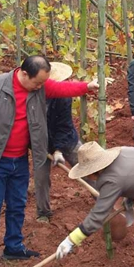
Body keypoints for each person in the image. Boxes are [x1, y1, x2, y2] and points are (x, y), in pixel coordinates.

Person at [0, 56, 104, 267]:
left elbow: (62, 89)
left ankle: (13, 246)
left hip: (19, 158)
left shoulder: (38, 88)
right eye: (38, 83)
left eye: (43, 84)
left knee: (17, 204)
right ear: (24, 74)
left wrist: (87, 87)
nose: (40, 87)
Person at [33, 62, 83, 223]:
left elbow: (64, 125)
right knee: (41, 179)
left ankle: (102, 199)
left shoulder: (63, 97)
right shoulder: (32, 95)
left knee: (88, 167)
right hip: (41, 143)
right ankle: (43, 213)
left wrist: (59, 150)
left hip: (67, 139)